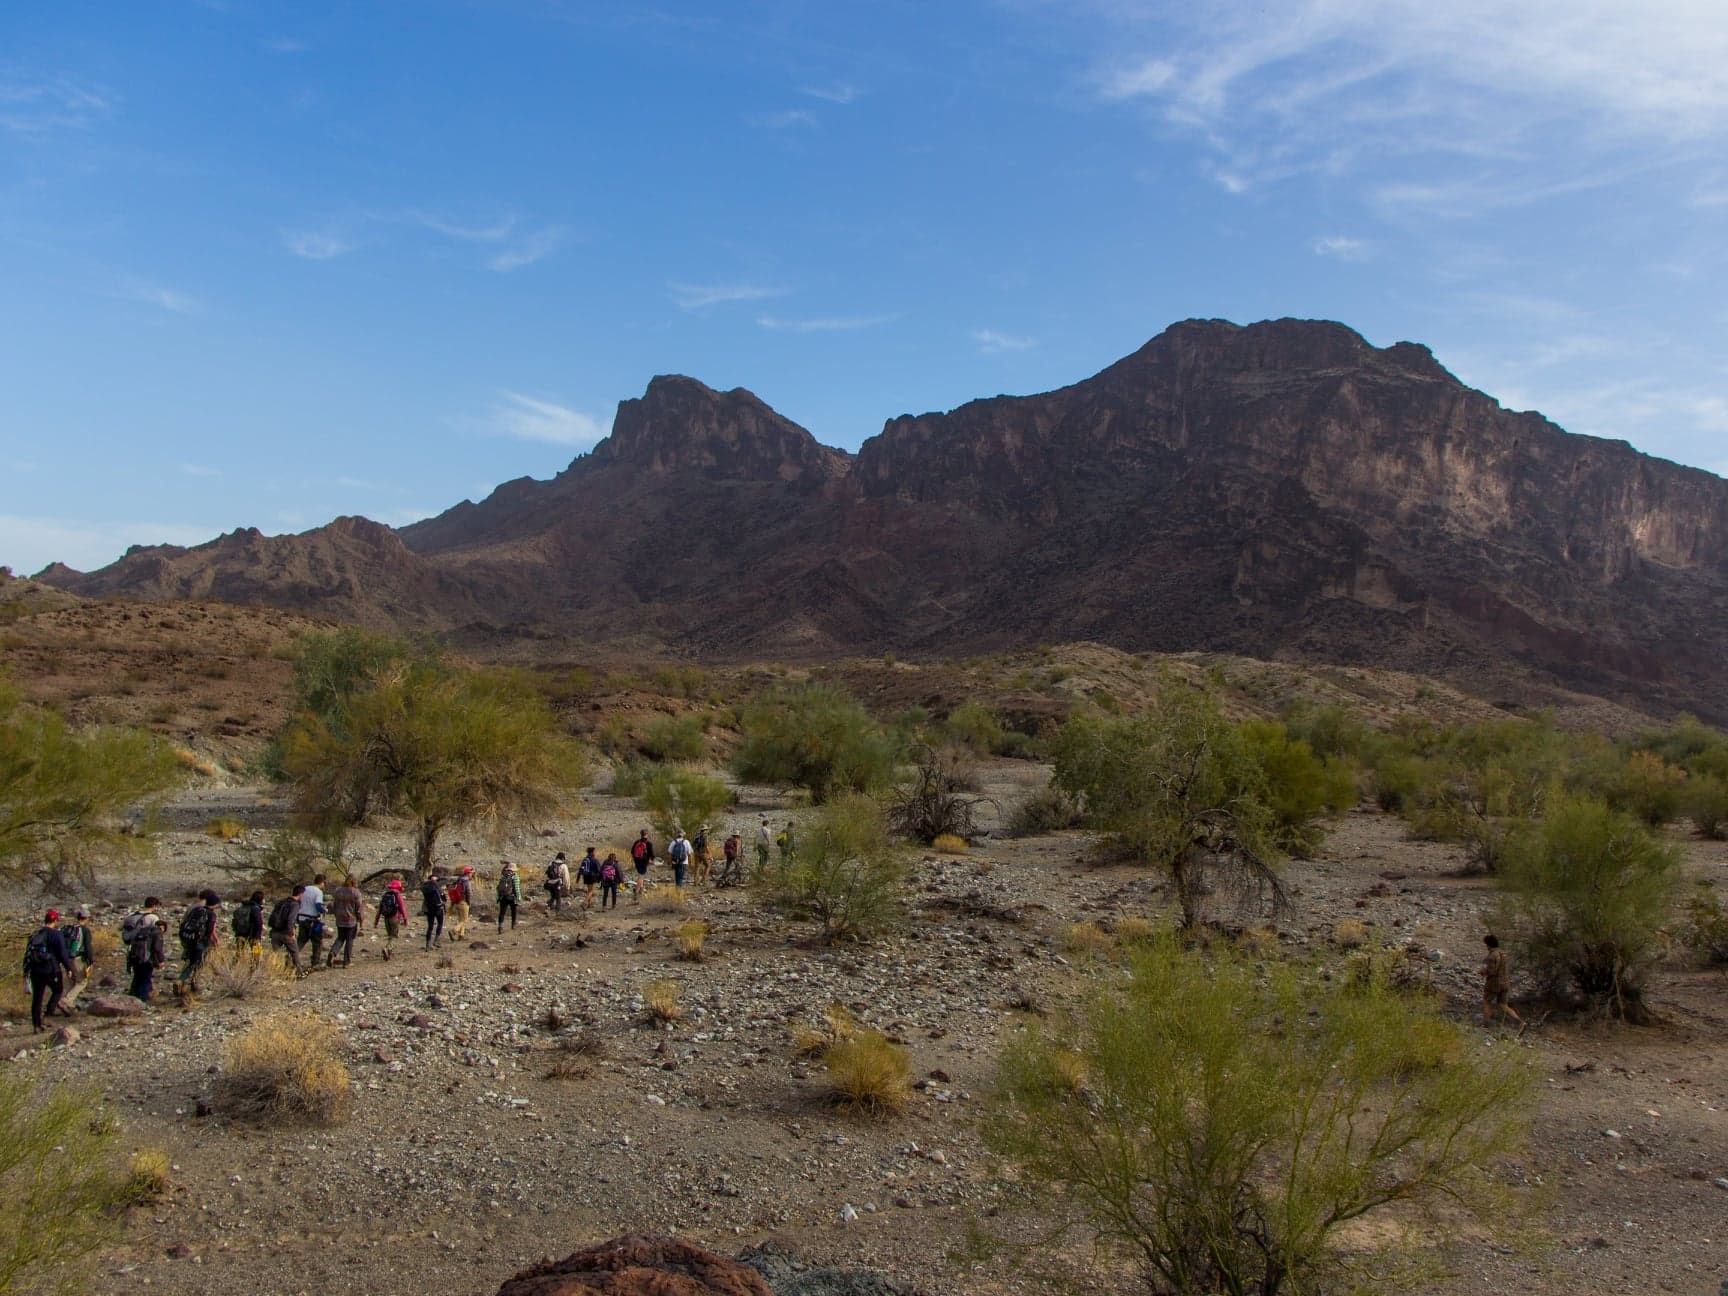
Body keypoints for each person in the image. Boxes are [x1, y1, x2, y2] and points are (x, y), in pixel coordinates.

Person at [22, 910, 77, 1032]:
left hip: (36, 971)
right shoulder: (57, 935)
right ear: (55, 921)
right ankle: (48, 1014)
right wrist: (69, 968)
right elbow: (63, 954)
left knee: (37, 998)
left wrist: (26, 971)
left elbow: (28, 953)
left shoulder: (36, 934)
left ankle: (36, 1025)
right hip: (51, 970)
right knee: (58, 990)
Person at [176, 890, 221, 996]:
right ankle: (192, 982)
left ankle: (181, 982)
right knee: (198, 962)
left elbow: (183, 923)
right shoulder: (211, 914)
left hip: (189, 939)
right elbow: (210, 930)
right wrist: (216, 940)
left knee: (190, 960)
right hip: (201, 942)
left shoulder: (195, 909)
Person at [123, 898, 166, 1002]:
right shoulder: (153, 918)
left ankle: (132, 1000)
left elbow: (125, 936)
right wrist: (159, 959)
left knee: (137, 976)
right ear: (154, 906)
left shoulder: (131, 916)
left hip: (132, 950)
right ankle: (141, 1002)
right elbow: (156, 937)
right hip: (146, 952)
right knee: (145, 977)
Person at [1481, 934, 1523, 1030]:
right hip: (1505, 982)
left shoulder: (1492, 956)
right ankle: (1520, 1022)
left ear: (1488, 944)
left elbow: (1491, 971)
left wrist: (1483, 972)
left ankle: (1486, 1024)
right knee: (1503, 1004)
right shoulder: (1503, 954)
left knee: (1487, 1001)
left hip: (1494, 983)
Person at [60, 905, 96, 1009]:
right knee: (82, 982)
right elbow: (88, 947)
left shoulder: (70, 928)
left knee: (72, 982)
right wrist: (90, 961)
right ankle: (67, 1000)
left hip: (67, 959)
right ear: (86, 918)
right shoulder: (85, 930)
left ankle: (66, 1004)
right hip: (78, 959)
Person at [327, 875, 366, 967]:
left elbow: (334, 904)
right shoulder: (356, 893)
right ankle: (346, 962)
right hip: (351, 920)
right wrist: (361, 922)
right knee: (349, 940)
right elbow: (359, 909)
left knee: (340, 937)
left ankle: (333, 952)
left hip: (340, 918)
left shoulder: (338, 891)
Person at [268, 886, 305, 975]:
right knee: (294, 952)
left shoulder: (282, 902)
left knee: (275, 953)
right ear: (300, 894)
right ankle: (299, 972)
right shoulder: (295, 904)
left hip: (275, 931)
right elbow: (291, 920)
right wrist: (291, 933)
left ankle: (271, 971)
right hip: (286, 933)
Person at [297, 873, 327, 969]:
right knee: (317, 941)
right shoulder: (318, 892)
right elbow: (318, 905)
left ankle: (291, 957)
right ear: (322, 882)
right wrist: (324, 910)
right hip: (312, 919)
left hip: (301, 917)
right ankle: (315, 962)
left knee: (301, 940)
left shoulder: (305, 889)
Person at [375, 879, 408, 958]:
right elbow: (402, 908)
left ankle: (388, 954)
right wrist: (405, 919)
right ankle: (387, 948)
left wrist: (376, 921)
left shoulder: (385, 895)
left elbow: (380, 909)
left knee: (390, 935)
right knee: (394, 936)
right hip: (395, 918)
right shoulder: (398, 895)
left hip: (386, 918)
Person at [421, 871, 447, 950]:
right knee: (440, 923)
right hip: (438, 908)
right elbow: (444, 899)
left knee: (430, 927)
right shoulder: (437, 887)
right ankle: (436, 940)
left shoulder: (425, 888)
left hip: (429, 909)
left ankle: (428, 944)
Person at [448, 867, 474, 941]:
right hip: (463, 902)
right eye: (471, 873)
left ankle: (461, 935)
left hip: (457, 902)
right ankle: (453, 931)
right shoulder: (466, 881)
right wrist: (468, 902)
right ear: (468, 873)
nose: (472, 874)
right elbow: (468, 893)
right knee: (465, 920)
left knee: (461, 919)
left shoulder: (459, 880)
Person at [496, 862, 522, 932]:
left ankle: (500, 926)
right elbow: (516, 888)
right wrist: (519, 898)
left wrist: (498, 897)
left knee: (502, 912)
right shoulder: (515, 876)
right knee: (514, 911)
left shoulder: (503, 876)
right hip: (512, 897)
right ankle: (513, 925)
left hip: (503, 897)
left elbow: (498, 887)